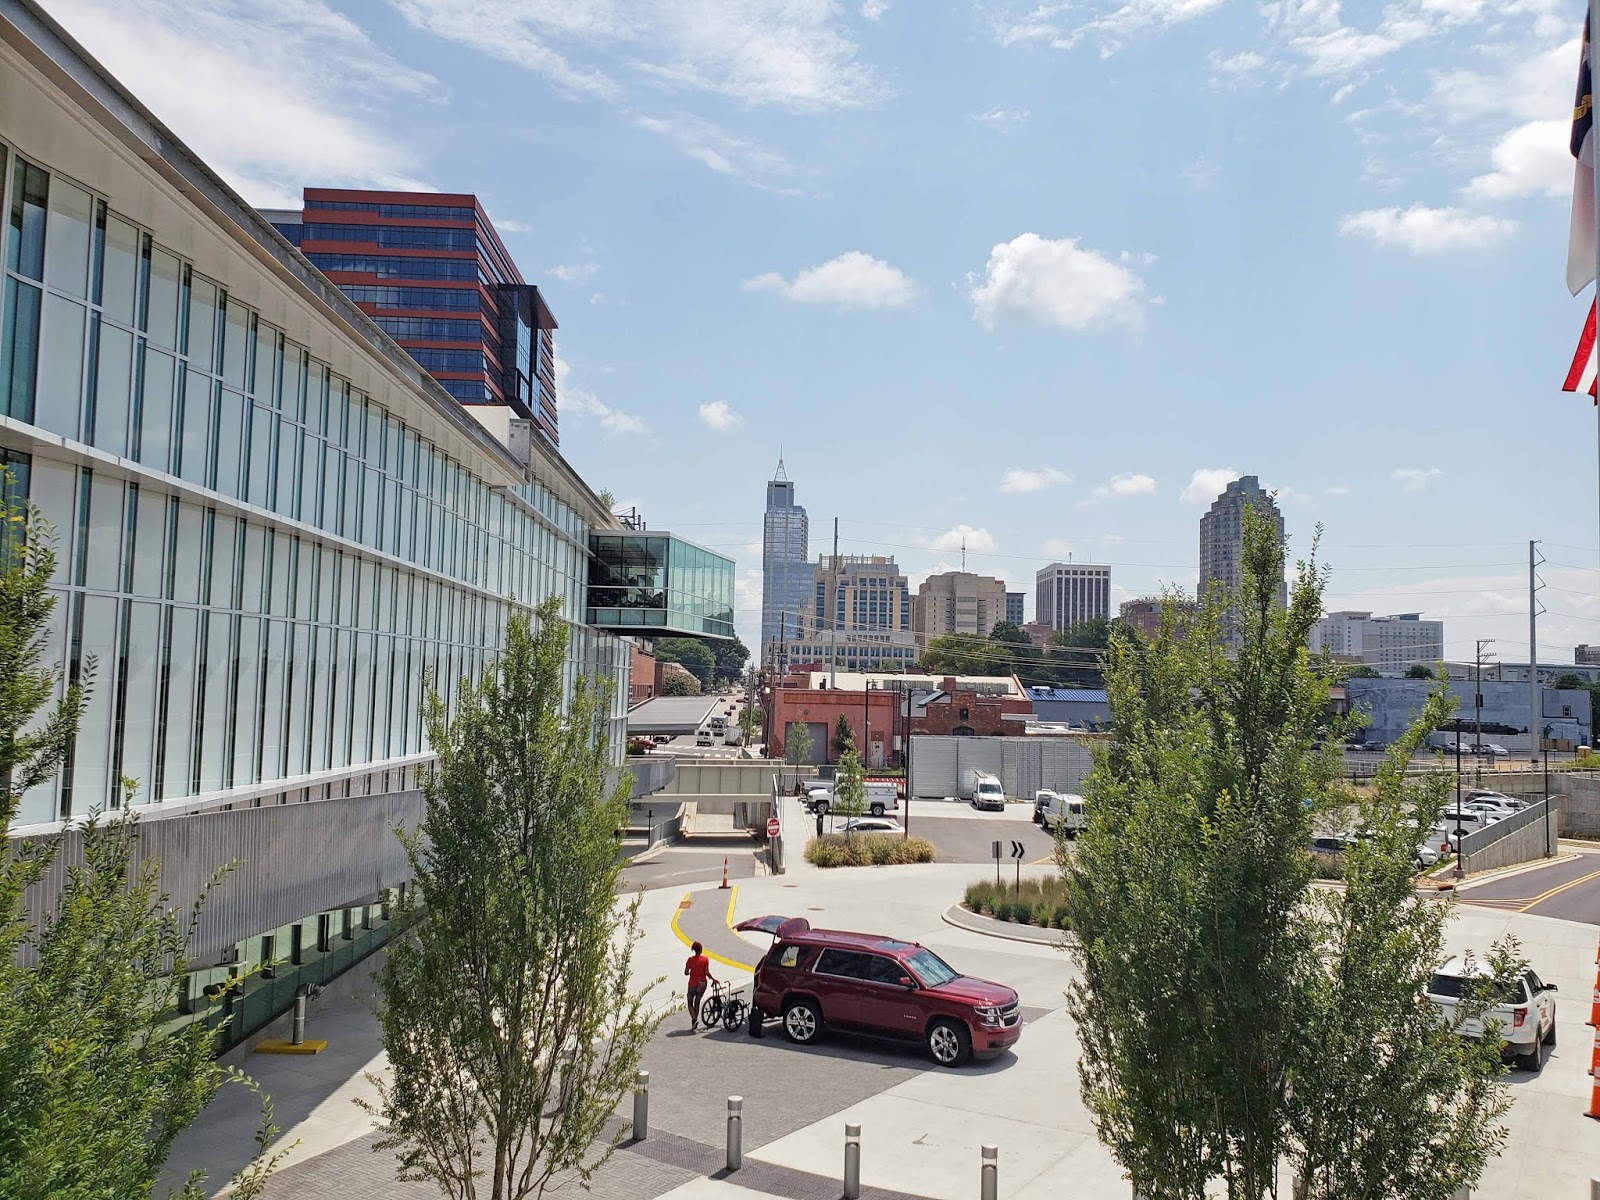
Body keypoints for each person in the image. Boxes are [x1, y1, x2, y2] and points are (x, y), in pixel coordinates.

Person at [684, 941, 715, 1031]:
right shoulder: (705, 959)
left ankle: (694, 1019)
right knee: (697, 1001)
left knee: (690, 1002)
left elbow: (686, 972)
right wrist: (713, 979)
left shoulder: (690, 960)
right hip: (702, 983)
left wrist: (689, 972)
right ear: (701, 950)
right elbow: (707, 972)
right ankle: (695, 1021)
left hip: (692, 983)